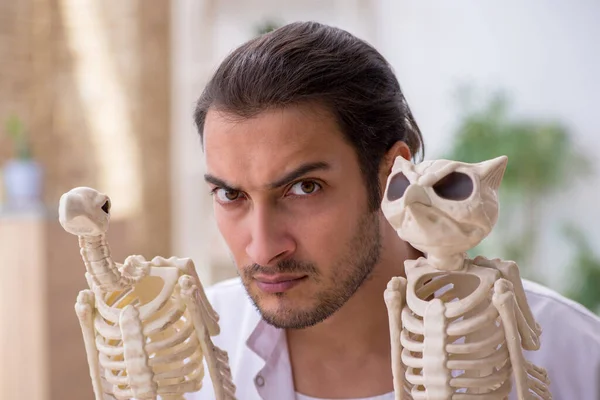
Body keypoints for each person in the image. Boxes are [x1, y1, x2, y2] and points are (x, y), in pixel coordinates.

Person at [187, 21, 600, 400]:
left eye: (304, 188)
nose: (262, 250)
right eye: (230, 195)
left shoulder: (571, 355)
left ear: (390, 172)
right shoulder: (189, 356)